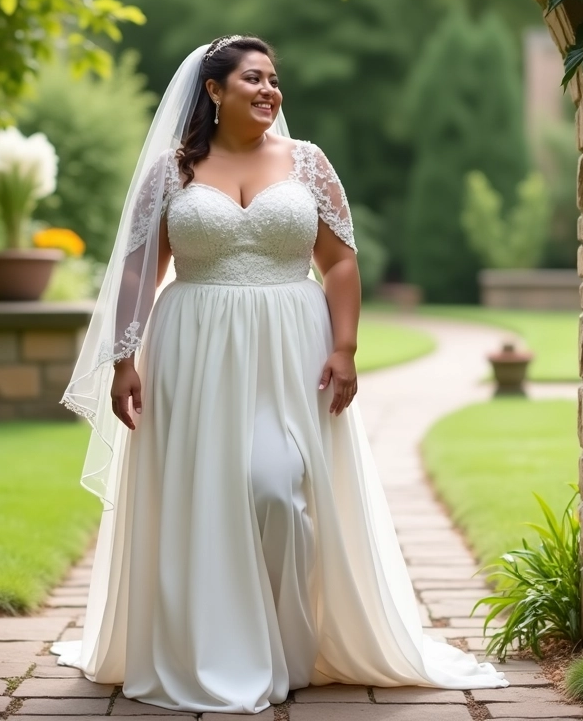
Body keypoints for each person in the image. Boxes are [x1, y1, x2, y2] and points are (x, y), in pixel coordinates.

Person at [50, 35, 508, 713]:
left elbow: (342, 261)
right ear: (214, 90)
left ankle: (290, 649)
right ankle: (215, 647)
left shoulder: (307, 164)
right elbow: (140, 273)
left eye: (273, 79)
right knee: (202, 500)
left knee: (276, 488)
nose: (269, 91)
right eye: (253, 79)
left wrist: (345, 346)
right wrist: (124, 362)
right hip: (193, 349)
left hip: (291, 346)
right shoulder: (172, 173)